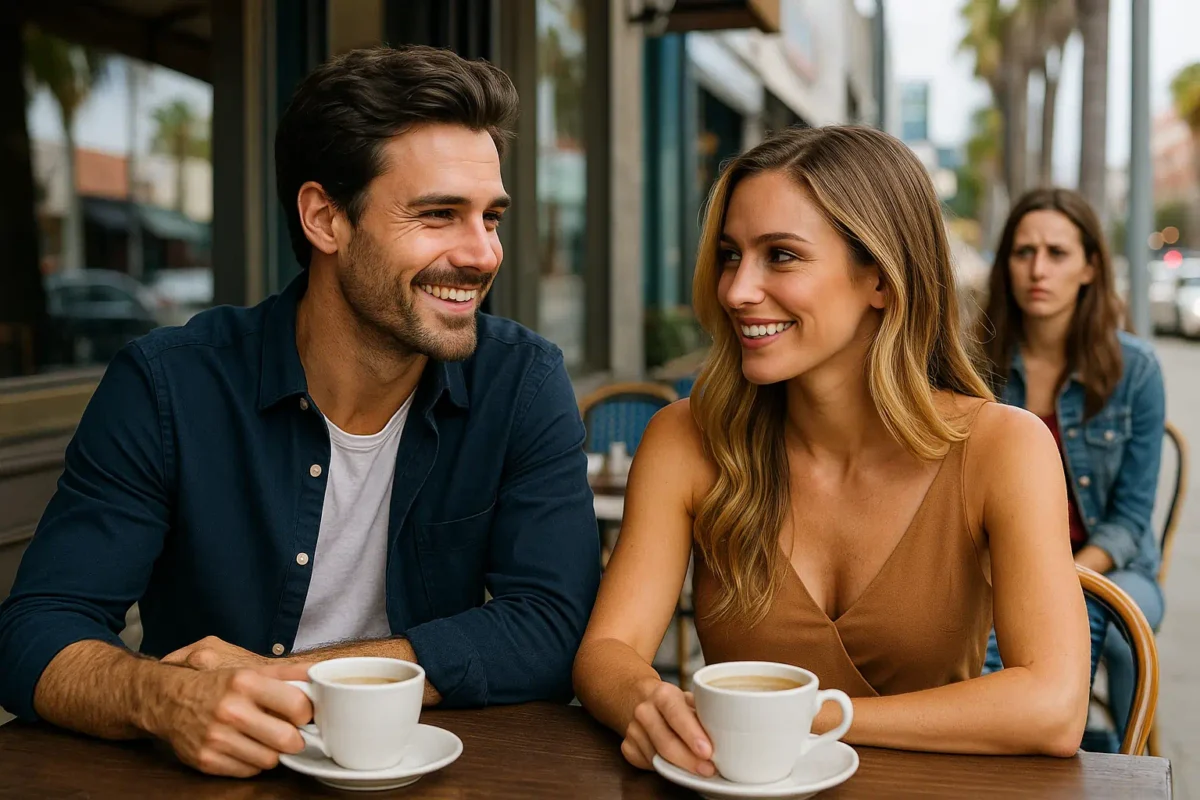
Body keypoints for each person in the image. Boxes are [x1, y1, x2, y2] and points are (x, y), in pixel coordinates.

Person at [0, 46, 600, 777]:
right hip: (216, 779)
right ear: (324, 218)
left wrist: (290, 677)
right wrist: (161, 698)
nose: (482, 254)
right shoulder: (169, 387)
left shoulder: (521, 382)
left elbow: (552, 626)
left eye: (491, 217)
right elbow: (36, 632)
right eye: (439, 214)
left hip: (431, 776)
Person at [573, 126, 1091, 776]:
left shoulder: (1003, 448)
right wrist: (647, 703)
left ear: (880, 277)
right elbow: (607, 651)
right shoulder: (687, 439)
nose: (736, 290)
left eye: (781, 256)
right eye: (731, 255)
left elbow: (1055, 707)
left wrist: (806, 716)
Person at [976, 187, 1166, 751]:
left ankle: (1075, 755)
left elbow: (1129, 519)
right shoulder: (973, 361)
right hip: (994, 562)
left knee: (1084, 610)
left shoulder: (1136, 370)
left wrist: (1058, 577)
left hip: (1112, 566)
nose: (1039, 268)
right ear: (1005, 263)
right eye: (1023, 251)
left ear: (1089, 267)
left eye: (1057, 253)